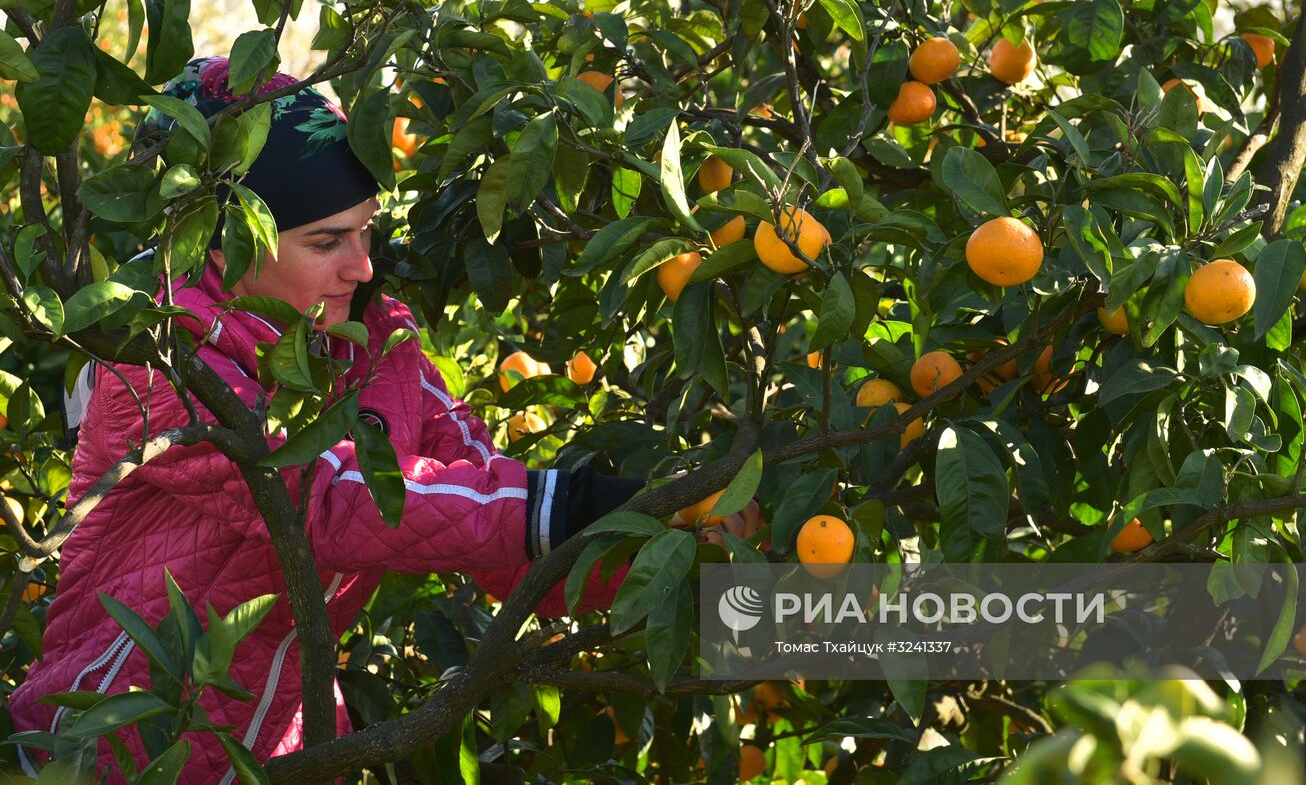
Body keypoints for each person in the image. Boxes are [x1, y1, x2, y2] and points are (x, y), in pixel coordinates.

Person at [8, 58, 761, 782]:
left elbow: (490, 520)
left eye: (367, 231)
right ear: (224, 239)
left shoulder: (380, 342)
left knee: (843, 620)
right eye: (327, 241)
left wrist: (719, 579)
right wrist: (585, 502)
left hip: (284, 747)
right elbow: (331, 503)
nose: (362, 266)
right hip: (110, 751)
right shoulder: (158, 360)